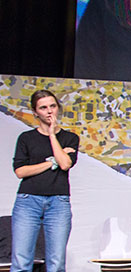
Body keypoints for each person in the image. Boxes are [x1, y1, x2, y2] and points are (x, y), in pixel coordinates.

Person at [11, 90, 79, 272]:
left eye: (53, 106)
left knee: (56, 263)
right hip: (28, 201)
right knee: (21, 261)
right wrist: (52, 162)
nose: (49, 111)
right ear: (35, 112)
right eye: (43, 107)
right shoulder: (26, 138)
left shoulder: (70, 138)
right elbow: (20, 171)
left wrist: (52, 135)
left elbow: (65, 164)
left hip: (58, 202)